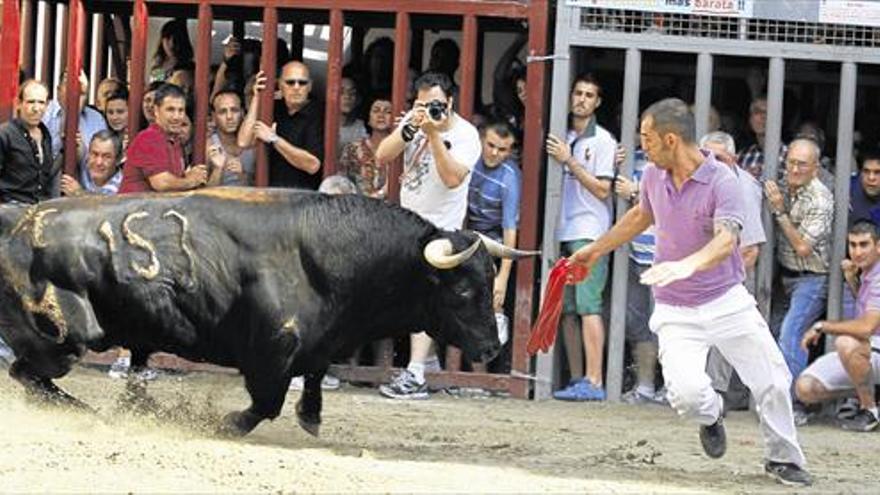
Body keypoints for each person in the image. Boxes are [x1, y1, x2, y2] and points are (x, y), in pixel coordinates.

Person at [568, 98, 810, 486]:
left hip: (726, 300)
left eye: (647, 139)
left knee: (773, 380)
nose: (641, 145)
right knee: (687, 397)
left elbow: (726, 239)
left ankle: (783, 459)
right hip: (676, 308)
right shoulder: (652, 175)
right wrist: (595, 251)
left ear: (670, 139)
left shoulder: (722, 181)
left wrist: (684, 265)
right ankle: (712, 416)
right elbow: (639, 215)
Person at [374, 71, 481, 399]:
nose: (428, 110)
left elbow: (452, 178)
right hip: (409, 223)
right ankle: (428, 361)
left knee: (425, 296)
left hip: (442, 227)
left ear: (449, 102)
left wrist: (433, 136)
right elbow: (383, 155)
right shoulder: (414, 118)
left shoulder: (466, 135)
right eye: (421, 104)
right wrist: (409, 127)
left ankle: (416, 373)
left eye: (435, 105)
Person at [545, 73, 615, 401]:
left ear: (598, 102)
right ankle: (576, 378)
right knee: (568, 310)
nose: (582, 99)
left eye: (589, 95)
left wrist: (569, 160)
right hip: (562, 230)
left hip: (589, 232)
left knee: (589, 306)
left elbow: (603, 189)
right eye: (578, 93)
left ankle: (595, 380)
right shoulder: (563, 135)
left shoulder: (603, 141)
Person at [764, 138, 834, 425]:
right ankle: (779, 400)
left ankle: (793, 406)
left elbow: (803, 247)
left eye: (801, 164)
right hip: (785, 276)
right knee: (774, 333)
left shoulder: (820, 198)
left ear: (815, 168)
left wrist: (779, 212)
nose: (793, 169)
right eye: (790, 162)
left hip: (811, 279)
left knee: (790, 336)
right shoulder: (782, 185)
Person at [700, 131, 766, 411]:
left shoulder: (743, 187)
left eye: (721, 158)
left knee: (723, 335)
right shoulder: (702, 180)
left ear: (735, 159)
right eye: (708, 157)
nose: (714, 163)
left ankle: (716, 394)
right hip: (704, 271)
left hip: (732, 273)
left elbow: (750, 249)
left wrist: (721, 280)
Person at [796, 220, 880, 432]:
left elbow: (867, 327)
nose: (857, 251)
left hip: (872, 346)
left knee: (846, 343)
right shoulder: (867, 272)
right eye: (852, 245)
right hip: (871, 352)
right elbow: (867, 306)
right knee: (806, 388)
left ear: (878, 247)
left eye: (864, 244)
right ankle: (869, 393)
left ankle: (870, 410)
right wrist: (852, 279)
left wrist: (822, 326)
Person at [0, 79, 56, 364]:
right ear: (19, 103)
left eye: (41, 102)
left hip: (34, 215)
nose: (36, 108)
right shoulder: (6, 135)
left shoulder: (45, 134)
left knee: (29, 280)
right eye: (30, 102)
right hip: (9, 214)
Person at [466, 120, 522, 365]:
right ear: (480, 140)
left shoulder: (510, 178)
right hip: (464, 232)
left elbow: (510, 229)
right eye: (490, 145)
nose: (494, 153)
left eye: (502, 149)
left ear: (510, 151)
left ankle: (485, 375)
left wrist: (503, 278)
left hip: (493, 241)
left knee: (491, 301)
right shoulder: (468, 159)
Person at [613, 143, 665, 405]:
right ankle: (645, 386)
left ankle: (671, 388)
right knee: (640, 327)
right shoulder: (630, 158)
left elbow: (674, 202)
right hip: (634, 255)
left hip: (663, 259)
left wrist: (636, 191)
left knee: (667, 328)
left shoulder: (672, 162)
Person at [238, 62, 323, 190]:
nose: (296, 87)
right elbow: (244, 141)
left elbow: (312, 166)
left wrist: (274, 139)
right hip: (272, 197)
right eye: (290, 82)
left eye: (302, 83)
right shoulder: (274, 108)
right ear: (280, 85)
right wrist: (257, 98)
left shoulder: (319, 114)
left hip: (304, 200)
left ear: (310, 86)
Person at [119, 83, 208, 194]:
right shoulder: (149, 138)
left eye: (180, 110)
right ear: (156, 110)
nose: (176, 117)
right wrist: (191, 181)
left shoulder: (174, 141)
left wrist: (186, 177)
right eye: (170, 110)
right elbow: (161, 183)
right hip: (133, 209)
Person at [42, 70, 107, 172]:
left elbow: (102, 162)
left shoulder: (96, 119)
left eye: (81, 91)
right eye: (69, 84)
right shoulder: (44, 112)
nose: (74, 91)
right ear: (58, 90)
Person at [338, 95, 393, 198]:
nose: (381, 115)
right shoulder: (352, 149)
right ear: (368, 118)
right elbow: (342, 182)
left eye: (388, 112)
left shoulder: (401, 150)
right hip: (360, 208)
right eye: (376, 111)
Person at [206, 89, 254, 186]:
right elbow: (202, 194)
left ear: (242, 113)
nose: (229, 116)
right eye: (222, 112)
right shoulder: (209, 145)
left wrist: (243, 175)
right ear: (214, 117)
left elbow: (265, 187)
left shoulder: (254, 144)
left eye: (234, 110)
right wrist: (218, 169)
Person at [60, 130, 123, 196]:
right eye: (95, 154)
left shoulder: (119, 187)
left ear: (117, 160)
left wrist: (79, 193)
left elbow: (103, 204)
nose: (99, 162)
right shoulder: (87, 162)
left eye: (107, 157)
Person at [149, 19, 194, 93]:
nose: (171, 44)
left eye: (175, 40)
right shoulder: (159, 66)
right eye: (167, 38)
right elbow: (154, 88)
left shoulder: (188, 67)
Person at [337, 74, 367, 155]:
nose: (347, 96)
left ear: (358, 99)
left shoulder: (361, 128)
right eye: (341, 92)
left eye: (352, 93)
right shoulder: (320, 125)